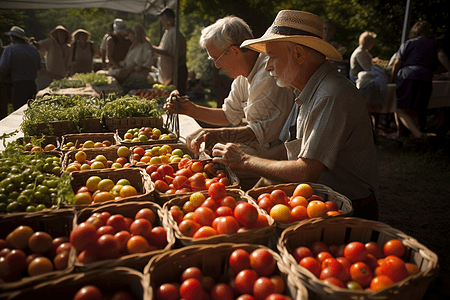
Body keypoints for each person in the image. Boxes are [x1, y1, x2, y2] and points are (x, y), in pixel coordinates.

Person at [211, 10, 380, 220]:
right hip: (316, 202)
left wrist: (245, 161)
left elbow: (307, 171)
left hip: (347, 212)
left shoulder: (330, 95)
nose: (267, 65)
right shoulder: (306, 89)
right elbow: (291, 147)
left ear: (298, 55)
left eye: (272, 56)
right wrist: (248, 162)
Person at [164, 15, 294, 160]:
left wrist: (218, 135)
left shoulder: (267, 75)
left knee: (211, 163)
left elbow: (261, 134)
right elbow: (228, 116)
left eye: (216, 59)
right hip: (259, 149)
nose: (217, 66)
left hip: (278, 157)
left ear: (235, 51)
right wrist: (189, 109)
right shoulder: (243, 75)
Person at [391, 21, 450, 144]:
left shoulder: (407, 43)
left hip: (407, 76)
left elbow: (397, 63)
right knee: (415, 109)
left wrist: (393, 78)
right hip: (425, 76)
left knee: (400, 109)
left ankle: (418, 135)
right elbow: (442, 56)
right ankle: (414, 137)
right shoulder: (433, 43)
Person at [349, 31, 387, 137]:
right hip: (359, 82)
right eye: (372, 42)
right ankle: (370, 130)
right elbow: (367, 68)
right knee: (376, 89)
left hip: (365, 80)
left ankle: (375, 130)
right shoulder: (360, 53)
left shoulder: (365, 52)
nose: (373, 45)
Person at [0, 26, 40, 111]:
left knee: (18, 112)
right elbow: (39, 67)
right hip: (32, 85)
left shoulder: (9, 49)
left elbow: (4, 68)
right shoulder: (33, 49)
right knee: (31, 111)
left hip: (18, 86)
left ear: (13, 38)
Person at [151, 7, 188, 95]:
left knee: (178, 98)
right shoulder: (168, 32)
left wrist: (151, 47)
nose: (162, 22)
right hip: (171, 73)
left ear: (170, 20)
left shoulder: (174, 32)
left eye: (163, 19)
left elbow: (169, 52)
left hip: (177, 71)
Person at [0, 39, 12, 119]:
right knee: (3, 106)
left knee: (3, 106)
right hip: (4, 82)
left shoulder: (6, 50)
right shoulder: (5, 50)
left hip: (3, 82)